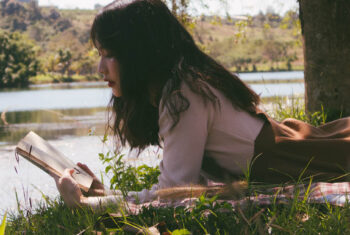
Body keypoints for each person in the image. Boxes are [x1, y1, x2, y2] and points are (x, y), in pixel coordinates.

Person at [52, 0, 350, 209]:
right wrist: (104, 192)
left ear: (138, 53)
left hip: (295, 159)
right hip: (288, 150)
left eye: (108, 54)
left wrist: (95, 202)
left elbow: (172, 194)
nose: (100, 68)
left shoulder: (183, 94)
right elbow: (177, 185)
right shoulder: (180, 84)